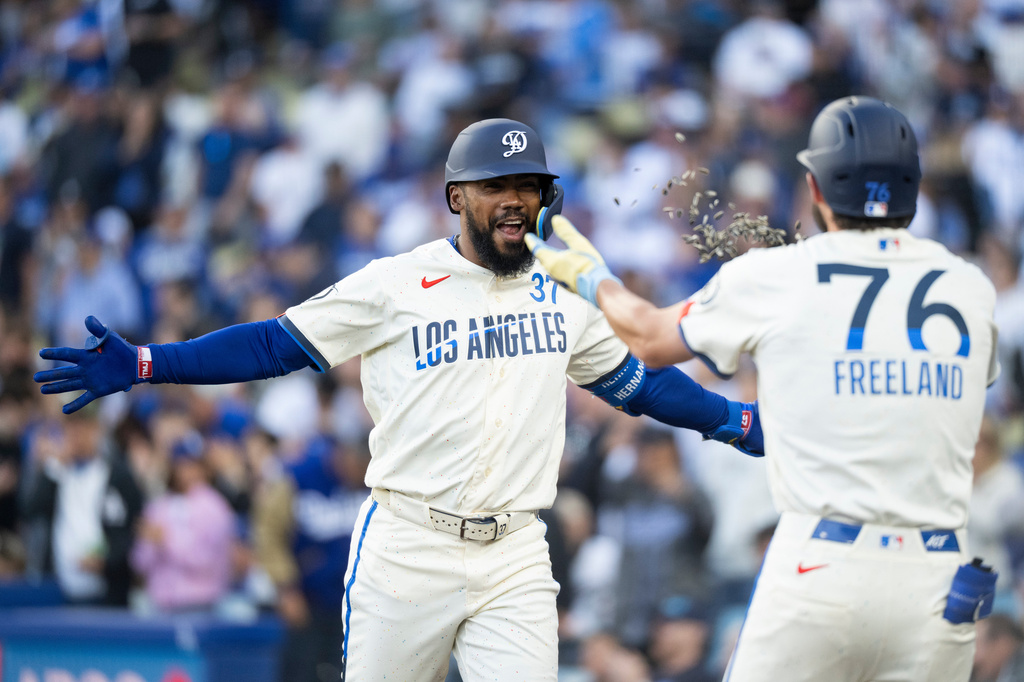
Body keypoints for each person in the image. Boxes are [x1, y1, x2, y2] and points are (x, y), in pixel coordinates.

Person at [33, 118, 761, 681]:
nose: (515, 201)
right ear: (457, 198)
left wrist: (732, 420)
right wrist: (149, 362)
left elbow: (637, 384)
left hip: (514, 552)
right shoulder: (395, 283)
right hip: (408, 545)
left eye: (529, 186)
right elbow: (272, 344)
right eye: (495, 186)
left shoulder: (564, 287)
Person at [528, 97, 1001, 682]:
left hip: (825, 563)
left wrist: (595, 279)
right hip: (938, 580)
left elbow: (647, 337)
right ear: (913, 187)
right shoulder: (972, 290)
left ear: (817, 189)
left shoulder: (779, 274)